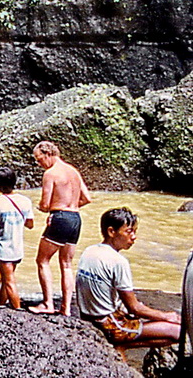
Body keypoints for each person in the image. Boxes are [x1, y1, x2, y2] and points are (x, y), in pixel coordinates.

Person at [76, 207, 181, 355]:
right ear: (111, 231)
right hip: (109, 325)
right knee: (177, 331)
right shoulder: (119, 262)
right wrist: (167, 316)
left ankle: (121, 344)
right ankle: (122, 345)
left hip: (87, 318)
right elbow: (134, 308)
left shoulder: (89, 251)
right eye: (128, 231)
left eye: (134, 232)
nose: (134, 237)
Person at [29, 140, 91, 316]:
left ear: (48, 154)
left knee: (42, 260)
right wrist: (69, 208)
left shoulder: (50, 174)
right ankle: (66, 308)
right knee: (66, 264)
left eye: (39, 159)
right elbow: (87, 198)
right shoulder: (73, 171)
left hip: (61, 218)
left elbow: (45, 204)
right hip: (76, 218)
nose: (39, 163)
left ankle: (48, 303)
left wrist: (45, 209)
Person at [0, 167, 35, 309]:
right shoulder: (25, 201)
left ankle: (17, 310)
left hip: (3, 248)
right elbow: (30, 224)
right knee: (7, 279)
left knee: (9, 280)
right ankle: (1, 304)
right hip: (18, 247)